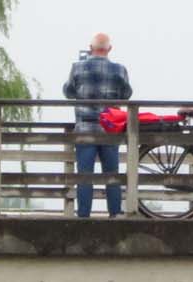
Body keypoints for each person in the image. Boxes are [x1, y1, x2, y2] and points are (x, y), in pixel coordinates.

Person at [64, 33, 132, 218]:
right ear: (109, 49)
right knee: (112, 175)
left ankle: (84, 216)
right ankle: (115, 214)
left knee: (84, 175)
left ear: (90, 47)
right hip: (110, 129)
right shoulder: (120, 70)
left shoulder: (77, 68)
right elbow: (126, 94)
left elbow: (69, 92)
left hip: (85, 129)